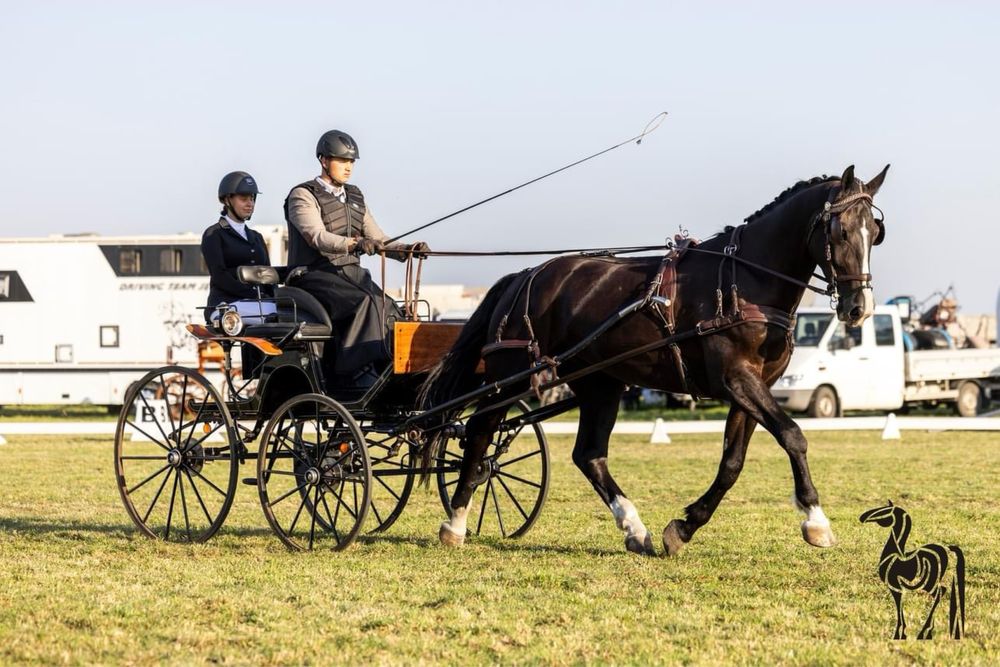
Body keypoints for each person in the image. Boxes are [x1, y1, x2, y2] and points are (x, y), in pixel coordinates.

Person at [284, 130, 429, 385]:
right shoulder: (303, 195)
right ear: (323, 160)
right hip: (313, 274)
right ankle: (352, 372)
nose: (348, 167)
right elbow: (317, 236)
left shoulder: (355, 196)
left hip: (349, 274)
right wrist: (355, 244)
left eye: (351, 161)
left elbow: (379, 238)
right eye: (342, 160)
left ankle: (393, 369)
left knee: (391, 308)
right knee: (367, 302)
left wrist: (407, 250)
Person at [201, 171, 275, 378]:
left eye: (252, 198)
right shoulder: (214, 234)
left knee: (287, 313)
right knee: (272, 314)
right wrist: (252, 295)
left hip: (257, 304)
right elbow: (219, 276)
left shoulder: (256, 237)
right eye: (244, 198)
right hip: (225, 305)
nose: (250, 203)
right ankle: (260, 375)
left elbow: (268, 274)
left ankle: (272, 376)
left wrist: (275, 296)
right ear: (227, 200)